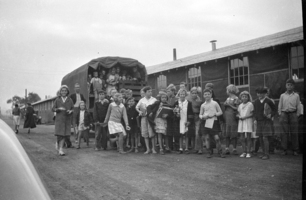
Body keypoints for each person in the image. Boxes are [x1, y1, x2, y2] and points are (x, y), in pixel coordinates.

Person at [199, 89, 225, 158]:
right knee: (207, 138)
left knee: (217, 138)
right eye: (205, 94)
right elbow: (200, 115)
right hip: (205, 122)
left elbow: (220, 112)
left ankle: (220, 152)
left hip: (214, 122)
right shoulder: (203, 105)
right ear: (203, 96)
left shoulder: (215, 103)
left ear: (211, 95)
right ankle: (209, 152)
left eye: (208, 94)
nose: (207, 95)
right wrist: (203, 116)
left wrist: (214, 114)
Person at [278, 79, 301, 156]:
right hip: (284, 114)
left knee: (294, 132)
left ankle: (295, 149)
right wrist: (280, 113)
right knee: (284, 133)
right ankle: (284, 149)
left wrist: (297, 114)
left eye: (291, 85)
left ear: (293, 86)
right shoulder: (282, 95)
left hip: (293, 114)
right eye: (288, 85)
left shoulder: (296, 95)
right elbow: (280, 105)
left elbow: (298, 105)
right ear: (286, 86)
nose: (289, 86)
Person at [253, 87, 276, 160]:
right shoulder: (256, 101)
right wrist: (255, 119)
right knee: (260, 138)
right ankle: (263, 153)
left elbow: (274, 110)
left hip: (266, 122)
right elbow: (255, 111)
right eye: (258, 93)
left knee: (265, 138)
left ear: (265, 93)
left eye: (262, 93)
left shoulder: (268, 101)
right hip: (259, 122)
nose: (259, 94)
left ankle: (267, 154)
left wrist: (270, 115)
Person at [52, 85, 74, 156]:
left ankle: (61, 149)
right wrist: (58, 109)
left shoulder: (70, 100)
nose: (64, 92)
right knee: (59, 134)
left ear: (67, 91)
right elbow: (53, 109)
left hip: (67, 120)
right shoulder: (57, 99)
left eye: (65, 91)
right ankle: (58, 145)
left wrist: (71, 111)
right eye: (62, 91)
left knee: (64, 135)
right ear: (60, 92)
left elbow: (73, 109)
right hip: (59, 119)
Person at [136, 86, 157, 154]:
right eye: (149, 91)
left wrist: (152, 113)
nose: (150, 93)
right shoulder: (142, 100)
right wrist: (139, 112)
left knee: (152, 133)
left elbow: (157, 107)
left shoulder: (154, 99)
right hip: (144, 117)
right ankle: (148, 149)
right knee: (145, 133)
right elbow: (137, 107)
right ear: (145, 93)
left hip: (151, 118)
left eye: (151, 91)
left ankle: (153, 149)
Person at [173, 89, 194, 154]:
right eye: (181, 94)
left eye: (183, 94)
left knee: (187, 135)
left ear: (185, 95)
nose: (182, 96)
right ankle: (181, 148)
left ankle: (187, 148)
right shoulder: (176, 103)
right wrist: (176, 114)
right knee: (180, 135)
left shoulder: (189, 103)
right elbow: (174, 113)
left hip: (186, 120)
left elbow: (191, 113)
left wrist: (189, 121)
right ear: (179, 95)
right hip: (179, 121)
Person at [223, 84, 240, 155]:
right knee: (227, 133)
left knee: (233, 133)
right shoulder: (228, 98)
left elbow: (237, 108)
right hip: (227, 116)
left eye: (227, 90)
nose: (226, 91)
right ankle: (227, 148)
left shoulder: (236, 98)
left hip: (233, 117)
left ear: (230, 91)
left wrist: (228, 105)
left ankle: (234, 148)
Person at [237, 91, 254, 158]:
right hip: (241, 122)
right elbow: (238, 113)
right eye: (243, 96)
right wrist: (239, 116)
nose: (244, 98)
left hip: (248, 121)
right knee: (242, 138)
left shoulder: (250, 104)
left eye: (246, 97)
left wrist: (245, 117)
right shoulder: (240, 105)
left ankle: (248, 152)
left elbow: (252, 113)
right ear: (241, 97)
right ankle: (244, 152)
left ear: (248, 97)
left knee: (248, 138)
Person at [189, 87, 203, 154]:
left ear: (197, 94)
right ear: (191, 94)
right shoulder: (189, 101)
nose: (194, 94)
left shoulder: (200, 101)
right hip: (191, 118)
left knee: (198, 134)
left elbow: (202, 110)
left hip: (198, 118)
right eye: (193, 93)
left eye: (195, 93)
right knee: (193, 134)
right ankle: (195, 148)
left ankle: (200, 148)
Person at [166, 84, 178, 151]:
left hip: (175, 117)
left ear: (173, 91)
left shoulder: (176, 99)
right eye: (167, 91)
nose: (167, 92)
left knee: (175, 132)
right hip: (168, 117)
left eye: (169, 91)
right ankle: (170, 147)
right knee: (169, 132)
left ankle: (176, 146)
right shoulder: (167, 99)